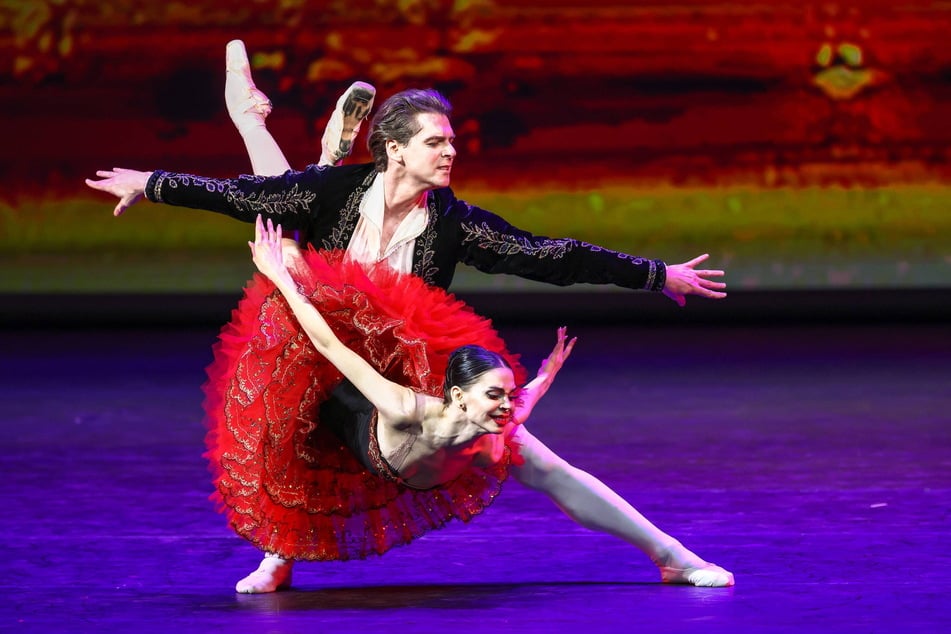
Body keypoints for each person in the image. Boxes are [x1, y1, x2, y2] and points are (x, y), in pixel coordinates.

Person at [85, 42, 734, 592]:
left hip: (401, 357)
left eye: (451, 141)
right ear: (394, 151)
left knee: (532, 461)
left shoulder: (454, 222)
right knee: (291, 417)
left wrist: (656, 275)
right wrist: (151, 183)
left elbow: (548, 256)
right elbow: (238, 196)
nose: (449, 152)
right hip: (317, 338)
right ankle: (277, 555)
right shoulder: (336, 195)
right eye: (434, 142)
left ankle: (672, 556)